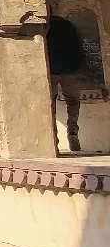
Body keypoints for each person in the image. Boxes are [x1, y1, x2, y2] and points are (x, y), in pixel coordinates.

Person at [47, 13, 88, 153]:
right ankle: (72, 132)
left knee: (50, 104)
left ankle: (53, 138)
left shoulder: (44, 28)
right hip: (71, 70)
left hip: (52, 71)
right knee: (73, 102)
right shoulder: (68, 25)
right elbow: (78, 46)